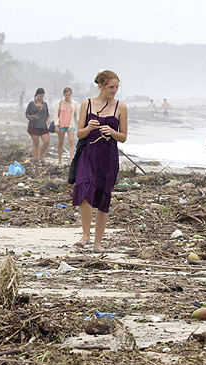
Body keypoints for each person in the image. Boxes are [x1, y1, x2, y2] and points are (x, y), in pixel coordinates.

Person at [72, 70, 128, 252]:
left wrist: (112, 132)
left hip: (108, 157)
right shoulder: (86, 104)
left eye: (117, 87)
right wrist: (89, 127)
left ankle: (98, 243)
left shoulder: (121, 107)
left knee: (104, 196)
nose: (114, 90)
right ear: (101, 86)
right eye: (111, 87)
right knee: (85, 189)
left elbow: (123, 137)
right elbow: (79, 134)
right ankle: (85, 235)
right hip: (88, 154)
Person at [53, 87, 79, 166]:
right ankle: (60, 159)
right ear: (64, 94)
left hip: (71, 125)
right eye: (66, 95)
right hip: (61, 124)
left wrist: (81, 123)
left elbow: (76, 116)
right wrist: (56, 125)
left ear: (71, 95)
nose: (67, 96)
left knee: (71, 141)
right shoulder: (60, 103)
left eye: (69, 95)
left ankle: (71, 159)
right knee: (61, 142)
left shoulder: (74, 103)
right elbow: (55, 115)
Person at [25, 88, 50, 160]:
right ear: (36, 95)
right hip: (33, 126)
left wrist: (48, 119)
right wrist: (30, 117)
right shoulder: (31, 104)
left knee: (46, 141)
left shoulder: (45, 104)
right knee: (36, 143)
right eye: (40, 96)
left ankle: (41, 155)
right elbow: (27, 113)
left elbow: (47, 113)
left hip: (43, 126)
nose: (41, 98)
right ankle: (35, 158)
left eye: (43, 96)